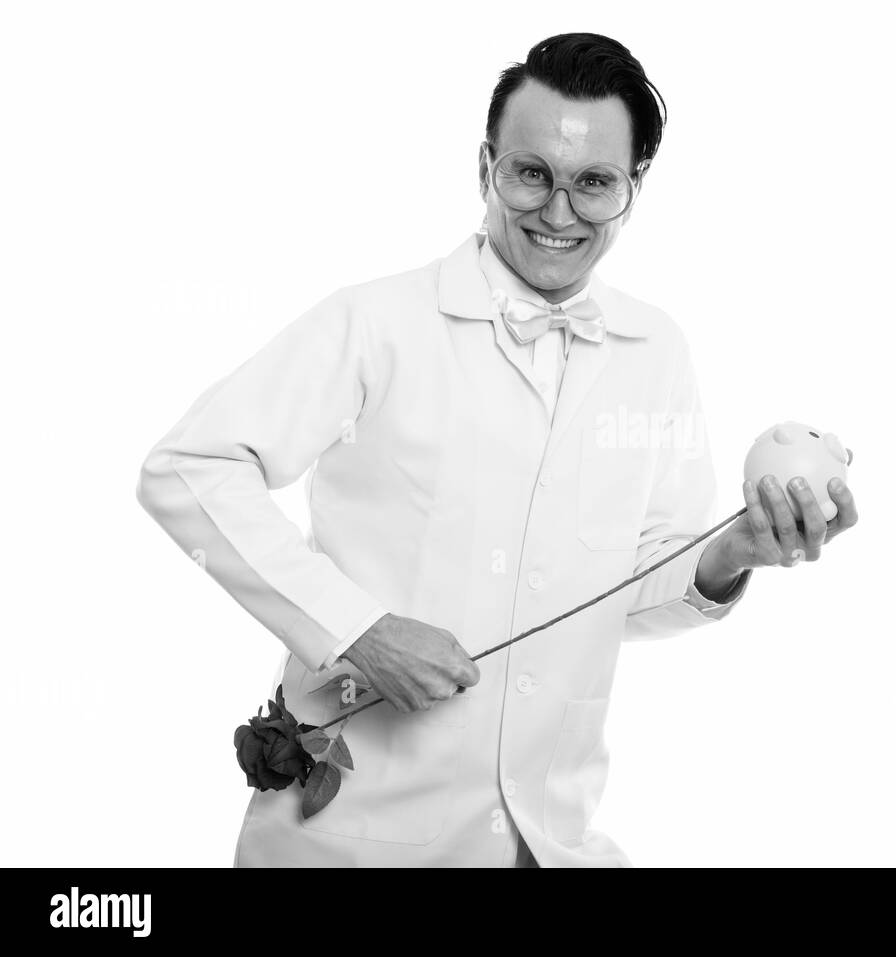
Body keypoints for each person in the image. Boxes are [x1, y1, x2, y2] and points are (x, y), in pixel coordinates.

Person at [137, 32, 858, 867]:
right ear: (485, 169)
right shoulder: (376, 324)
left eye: (594, 183)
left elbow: (626, 590)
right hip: (352, 846)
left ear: (633, 190)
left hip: (548, 844)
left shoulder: (657, 351)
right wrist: (357, 628)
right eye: (530, 173)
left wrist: (732, 551)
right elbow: (188, 468)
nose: (558, 212)